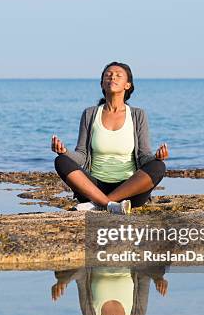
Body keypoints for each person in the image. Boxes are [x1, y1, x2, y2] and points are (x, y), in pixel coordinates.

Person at [51, 61, 169, 214]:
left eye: (118, 75)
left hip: (129, 190)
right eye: (108, 75)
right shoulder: (90, 114)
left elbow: (144, 156)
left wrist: (157, 157)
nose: (112, 77)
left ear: (127, 85)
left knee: (158, 167)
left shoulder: (138, 115)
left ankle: (100, 204)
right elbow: (81, 156)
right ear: (102, 84)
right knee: (60, 161)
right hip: (94, 187)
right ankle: (109, 204)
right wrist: (64, 151)